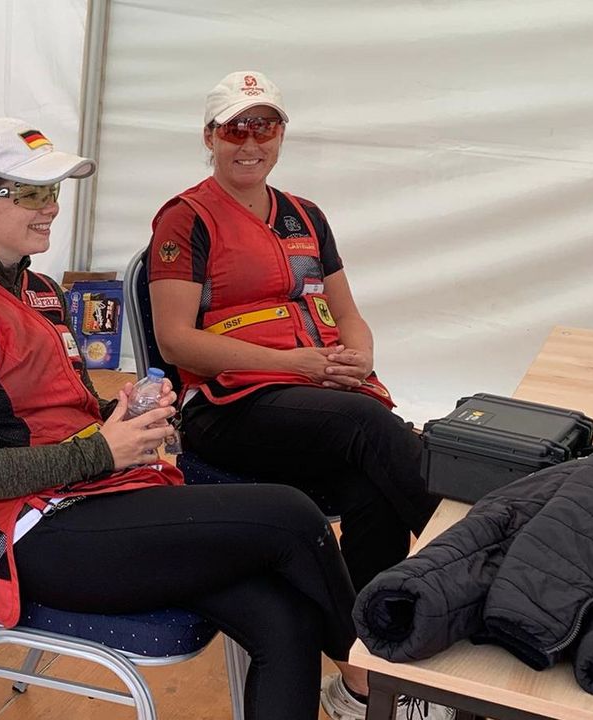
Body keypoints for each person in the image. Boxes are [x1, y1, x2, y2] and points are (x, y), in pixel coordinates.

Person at [0, 116, 360, 719]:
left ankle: (369, 675)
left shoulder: (35, 288)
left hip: (95, 500)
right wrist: (104, 449)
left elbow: (58, 416)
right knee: (294, 516)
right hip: (40, 539)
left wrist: (125, 415)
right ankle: (375, 680)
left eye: (54, 192)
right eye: (31, 193)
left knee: (287, 619)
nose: (51, 208)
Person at [146, 71, 448, 718]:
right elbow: (175, 343)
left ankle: (368, 666)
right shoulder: (186, 217)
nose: (251, 141)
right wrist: (304, 367)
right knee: (376, 433)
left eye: (266, 125)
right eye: (235, 128)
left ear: (281, 134)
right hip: (228, 410)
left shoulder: (307, 215)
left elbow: (349, 313)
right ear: (210, 137)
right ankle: (487, 577)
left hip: (311, 402)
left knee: (374, 484)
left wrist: (357, 355)